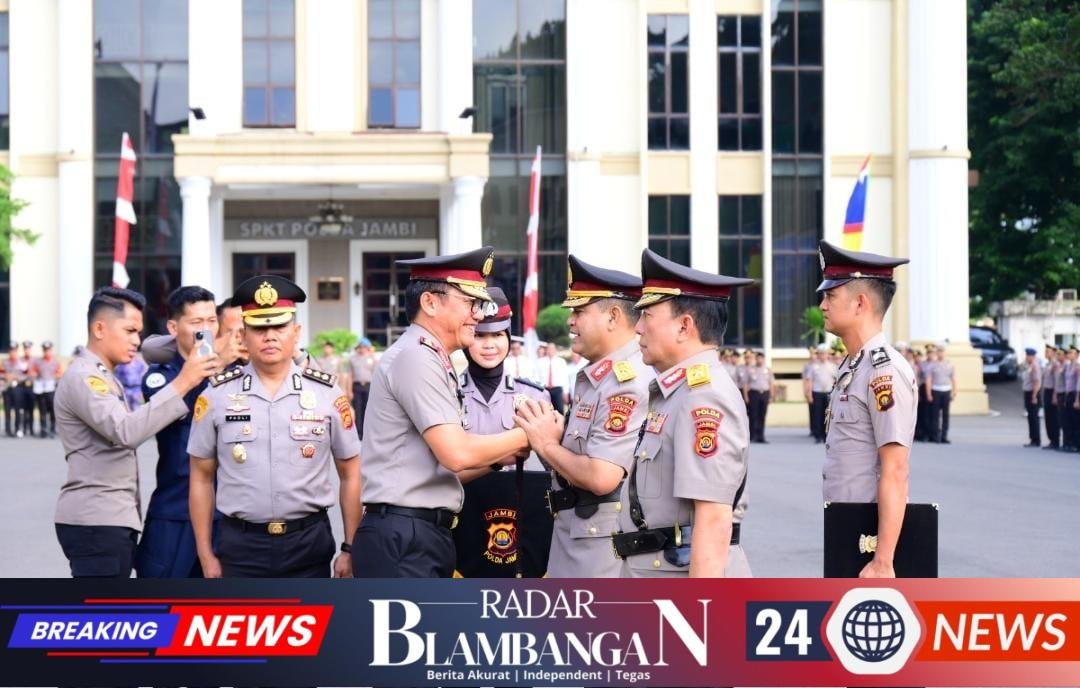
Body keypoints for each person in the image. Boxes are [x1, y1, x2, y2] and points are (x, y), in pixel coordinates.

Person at [354, 247, 531, 578]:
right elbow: (457, 454)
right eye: (470, 303)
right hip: (404, 536)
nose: (478, 315)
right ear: (430, 303)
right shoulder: (417, 357)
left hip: (419, 532)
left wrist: (499, 458)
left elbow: (439, 469)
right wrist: (528, 434)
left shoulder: (432, 357)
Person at [188, 275, 362, 579]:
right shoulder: (215, 396)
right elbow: (200, 479)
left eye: (280, 326)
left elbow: (351, 474)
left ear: (296, 332)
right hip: (240, 547)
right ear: (243, 336)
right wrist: (205, 555)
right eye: (259, 328)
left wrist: (350, 547)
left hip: (309, 543)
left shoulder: (327, 394)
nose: (270, 336)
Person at [53, 287, 219, 578]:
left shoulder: (102, 374)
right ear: (99, 329)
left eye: (138, 332)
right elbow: (126, 431)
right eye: (129, 331)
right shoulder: (85, 377)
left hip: (109, 519)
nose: (136, 340)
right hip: (96, 521)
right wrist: (185, 380)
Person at [610, 249, 753, 578]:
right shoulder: (678, 392)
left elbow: (713, 519)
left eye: (647, 316)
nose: (638, 328)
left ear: (684, 326)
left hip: (680, 581)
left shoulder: (704, 397)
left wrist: (699, 607)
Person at [515, 255, 652, 578]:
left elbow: (601, 476)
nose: (570, 322)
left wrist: (546, 444)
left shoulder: (626, 382)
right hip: (578, 535)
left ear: (613, 316)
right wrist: (553, 440)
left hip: (601, 545)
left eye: (579, 312)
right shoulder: (598, 375)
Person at [817, 240, 915, 578]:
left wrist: (883, 560)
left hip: (868, 537)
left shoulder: (883, 372)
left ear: (860, 303)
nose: (822, 305)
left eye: (830, 296)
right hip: (844, 523)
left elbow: (896, 469)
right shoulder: (853, 365)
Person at [136, 287, 244, 578]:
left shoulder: (236, 371)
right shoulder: (162, 375)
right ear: (173, 327)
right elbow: (188, 410)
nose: (206, 329)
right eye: (197, 322)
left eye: (211, 321)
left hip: (226, 513)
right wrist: (216, 365)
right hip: (176, 512)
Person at [453, 286, 551, 577]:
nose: (489, 345)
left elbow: (554, 467)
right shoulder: (447, 393)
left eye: (497, 335)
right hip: (461, 519)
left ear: (508, 337)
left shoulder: (533, 395)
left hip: (519, 521)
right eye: (480, 335)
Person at [346, 338, 378, 438]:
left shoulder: (372, 358)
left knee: (368, 410)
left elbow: (377, 370)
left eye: (364, 347)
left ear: (368, 348)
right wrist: (349, 390)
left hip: (368, 386)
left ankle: (367, 432)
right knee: (358, 410)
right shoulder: (353, 359)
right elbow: (350, 375)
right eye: (360, 347)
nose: (362, 349)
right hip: (357, 386)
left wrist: (372, 354)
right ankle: (359, 433)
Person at [925, 344, 956, 443]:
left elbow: (953, 379)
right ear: (936, 353)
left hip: (946, 390)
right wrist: (929, 393)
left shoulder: (949, 364)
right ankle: (936, 436)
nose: (940, 353)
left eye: (942, 351)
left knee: (945, 415)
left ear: (944, 352)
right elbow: (929, 380)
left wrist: (954, 392)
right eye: (938, 351)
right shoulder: (932, 365)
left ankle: (944, 436)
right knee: (935, 415)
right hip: (936, 390)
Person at [805, 344, 836, 443]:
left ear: (828, 354)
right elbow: (809, 380)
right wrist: (809, 394)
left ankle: (826, 435)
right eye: (821, 353)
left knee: (827, 415)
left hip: (828, 393)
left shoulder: (832, 366)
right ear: (818, 355)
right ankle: (817, 436)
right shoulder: (813, 366)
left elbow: (836, 380)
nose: (823, 355)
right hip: (817, 393)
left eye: (824, 353)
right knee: (817, 414)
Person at [31, 341, 63, 438]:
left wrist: (54, 377)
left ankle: (52, 429)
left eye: (48, 350)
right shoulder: (38, 362)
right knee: (42, 410)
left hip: (51, 389)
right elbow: (33, 372)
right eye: (45, 350)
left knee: (53, 410)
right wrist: (35, 375)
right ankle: (43, 429)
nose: (46, 352)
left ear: (51, 350)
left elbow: (60, 374)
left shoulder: (55, 362)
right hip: (41, 390)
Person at [745, 351, 774, 443]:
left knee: (762, 415)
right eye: (758, 358)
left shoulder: (768, 370)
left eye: (761, 358)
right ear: (756, 359)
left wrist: (771, 396)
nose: (759, 360)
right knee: (753, 415)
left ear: (764, 359)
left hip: (764, 393)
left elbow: (771, 384)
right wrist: (746, 397)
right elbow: (746, 384)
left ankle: (761, 436)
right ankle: (752, 436)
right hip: (754, 393)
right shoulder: (750, 370)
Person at [535, 342, 569, 414]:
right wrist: (538, 390)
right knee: (545, 410)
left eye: (552, 349)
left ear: (555, 350)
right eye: (549, 349)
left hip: (557, 389)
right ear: (546, 350)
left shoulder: (561, 361)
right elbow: (536, 377)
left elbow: (565, 377)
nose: (550, 350)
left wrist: (566, 392)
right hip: (544, 389)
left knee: (559, 410)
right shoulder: (540, 362)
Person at [1020, 347, 1042, 448]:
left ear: (1032, 356)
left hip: (1032, 393)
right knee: (1030, 417)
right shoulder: (1029, 366)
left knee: (1034, 417)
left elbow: (1037, 382)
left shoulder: (1035, 366)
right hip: (1028, 393)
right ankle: (1033, 438)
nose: (1026, 357)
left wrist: (1034, 396)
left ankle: (1036, 440)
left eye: (1028, 355)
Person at [1042, 344, 1060, 450]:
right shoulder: (1048, 364)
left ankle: (1055, 441)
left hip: (1052, 392)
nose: (1046, 353)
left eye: (1048, 351)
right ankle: (1051, 440)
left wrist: (1054, 395)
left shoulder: (1055, 365)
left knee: (1053, 417)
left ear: (1053, 353)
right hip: (1046, 391)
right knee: (1048, 417)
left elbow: (1056, 381)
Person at [2, 342, 22, 436]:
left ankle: (17, 429)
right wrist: (6, 376)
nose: (12, 353)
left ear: (17, 351)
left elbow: (26, 375)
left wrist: (16, 377)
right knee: (7, 410)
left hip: (17, 388)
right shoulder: (4, 362)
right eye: (11, 351)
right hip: (7, 389)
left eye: (14, 351)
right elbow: (1, 374)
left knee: (17, 409)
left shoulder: (21, 363)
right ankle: (8, 429)